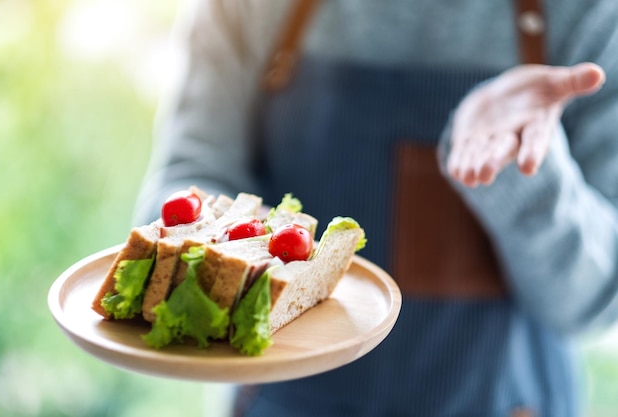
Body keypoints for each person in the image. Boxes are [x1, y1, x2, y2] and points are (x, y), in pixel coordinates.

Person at [133, 0, 618, 416]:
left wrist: (525, 172)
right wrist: (195, 250)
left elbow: (594, 303)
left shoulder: (588, 16)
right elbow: (188, 184)